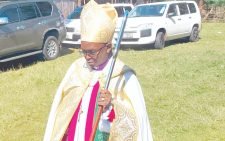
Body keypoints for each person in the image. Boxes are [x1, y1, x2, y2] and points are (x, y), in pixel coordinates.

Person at [43, 0, 153, 141]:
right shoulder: (77, 69)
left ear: (108, 47)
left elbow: (136, 122)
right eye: (83, 51)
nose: (87, 57)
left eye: (92, 52)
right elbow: (61, 111)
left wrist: (112, 105)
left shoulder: (124, 77)